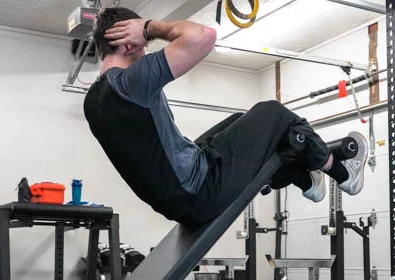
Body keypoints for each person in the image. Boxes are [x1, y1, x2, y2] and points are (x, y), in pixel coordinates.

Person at [83, 7, 367, 226]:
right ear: (128, 44)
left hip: (179, 196)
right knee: (274, 114)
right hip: (199, 192)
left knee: (240, 120)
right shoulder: (129, 83)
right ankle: (341, 173)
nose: (147, 50)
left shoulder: (93, 101)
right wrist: (148, 28)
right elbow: (203, 37)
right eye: (143, 44)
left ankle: (307, 182)